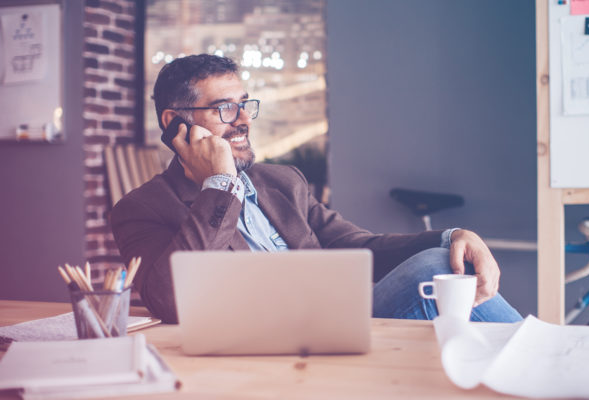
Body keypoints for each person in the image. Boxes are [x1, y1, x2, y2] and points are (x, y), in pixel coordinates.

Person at [110, 54, 522, 324]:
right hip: (266, 344)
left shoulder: (282, 182)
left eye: (245, 104)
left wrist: (455, 237)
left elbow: (363, 247)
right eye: (224, 108)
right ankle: (543, 360)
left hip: (335, 322)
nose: (243, 120)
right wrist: (219, 185)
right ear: (174, 123)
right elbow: (172, 302)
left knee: (448, 259)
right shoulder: (142, 208)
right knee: (434, 269)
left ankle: (534, 366)